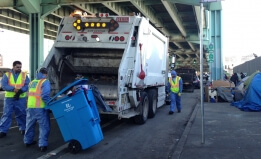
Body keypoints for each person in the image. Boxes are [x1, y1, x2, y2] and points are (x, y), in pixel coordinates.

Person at [0, 61, 30, 138]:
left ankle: (23, 128)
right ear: (13, 67)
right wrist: (13, 89)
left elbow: (27, 85)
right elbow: (4, 85)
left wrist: (20, 90)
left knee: (21, 113)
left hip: (20, 97)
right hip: (9, 98)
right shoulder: (7, 75)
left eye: (20, 67)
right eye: (17, 67)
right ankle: (3, 131)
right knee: (6, 114)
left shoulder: (24, 75)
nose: (19, 68)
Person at [23, 67, 51, 152]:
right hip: (40, 107)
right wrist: (49, 105)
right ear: (45, 74)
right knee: (44, 126)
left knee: (29, 125)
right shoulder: (45, 81)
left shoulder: (32, 82)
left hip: (30, 106)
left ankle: (28, 141)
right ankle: (42, 145)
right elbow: (45, 95)